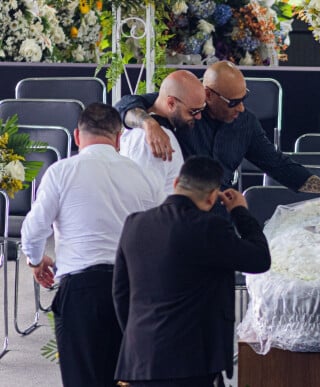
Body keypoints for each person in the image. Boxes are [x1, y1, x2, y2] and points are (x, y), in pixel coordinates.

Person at [21, 103, 165, 387]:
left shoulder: (61, 172)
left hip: (81, 291)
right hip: (134, 291)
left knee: (83, 379)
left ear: (76, 136)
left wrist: (36, 261)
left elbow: (34, 230)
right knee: (131, 378)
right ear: (118, 138)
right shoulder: (146, 177)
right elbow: (162, 233)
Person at [113, 156, 271, 387]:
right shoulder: (210, 227)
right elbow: (259, 259)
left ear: (176, 181)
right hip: (190, 361)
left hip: (141, 357)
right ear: (211, 197)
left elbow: (120, 292)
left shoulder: (135, 223)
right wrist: (240, 212)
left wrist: (139, 338)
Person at [115, 61, 320, 201]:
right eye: (233, 102)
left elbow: (278, 165)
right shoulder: (185, 107)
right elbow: (123, 107)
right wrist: (148, 122)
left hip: (221, 211)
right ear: (208, 94)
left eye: (243, 98)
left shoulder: (246, 123)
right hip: (183, 212)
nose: (241, 108)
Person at [120, 70, 206, 195]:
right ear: (171, 103)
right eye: (193, 111)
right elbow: (145, 199)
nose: (199, 117)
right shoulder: (156, 139)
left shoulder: (145, 128)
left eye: (201, 109)